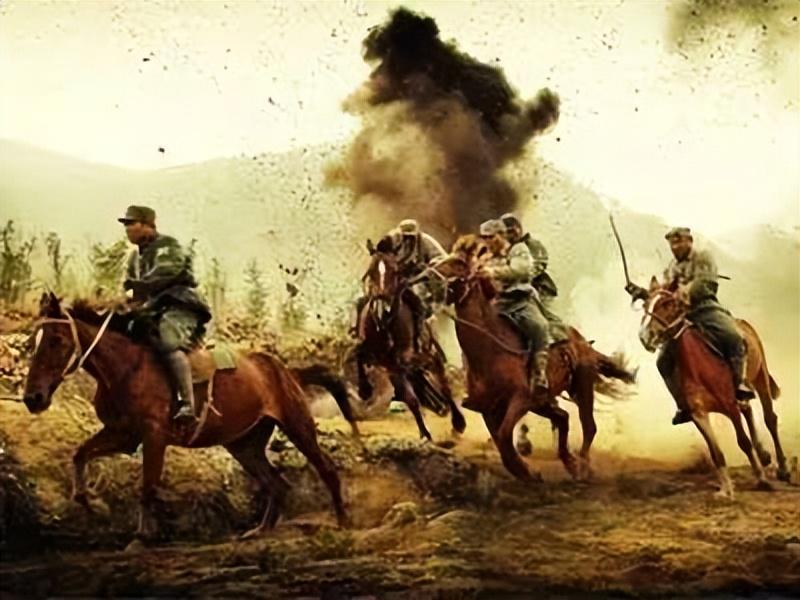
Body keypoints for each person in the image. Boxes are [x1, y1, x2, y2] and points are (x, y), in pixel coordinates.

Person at [626, 226, 753, 425]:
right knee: (663, 361)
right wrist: (642, 293)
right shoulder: (671, 267)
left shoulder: (703, 257)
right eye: (672, 244)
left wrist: (685, 292)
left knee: (733, 336)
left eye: (678, 242)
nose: (675, 247)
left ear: (689, 241)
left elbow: (705, 284)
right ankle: (682, 405)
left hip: (705, 308)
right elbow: (664, 293)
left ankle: (740, 385)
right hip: (680, 315)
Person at [119, 205, 211, 423]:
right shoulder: (134, 258)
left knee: (168, 341)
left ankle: (187, 404)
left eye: (132, 223)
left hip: (180, 304)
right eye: (126, 225)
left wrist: (137, 286)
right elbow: (133, 291)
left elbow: (164, 274)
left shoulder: (167, 246)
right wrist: (122, 303)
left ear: (148, 225)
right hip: (152, 309)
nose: (128, 229)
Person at [479, 218, 550, 395]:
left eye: (491, 237)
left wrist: (493, 272)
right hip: (494, 304)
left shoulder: (517, 249)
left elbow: (521, 270)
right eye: (484, 237)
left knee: (540, 326)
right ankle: (473, 377)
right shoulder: (483, 255)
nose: (487, 241)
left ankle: (539, 374)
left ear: (501, 235)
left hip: (518, 301)